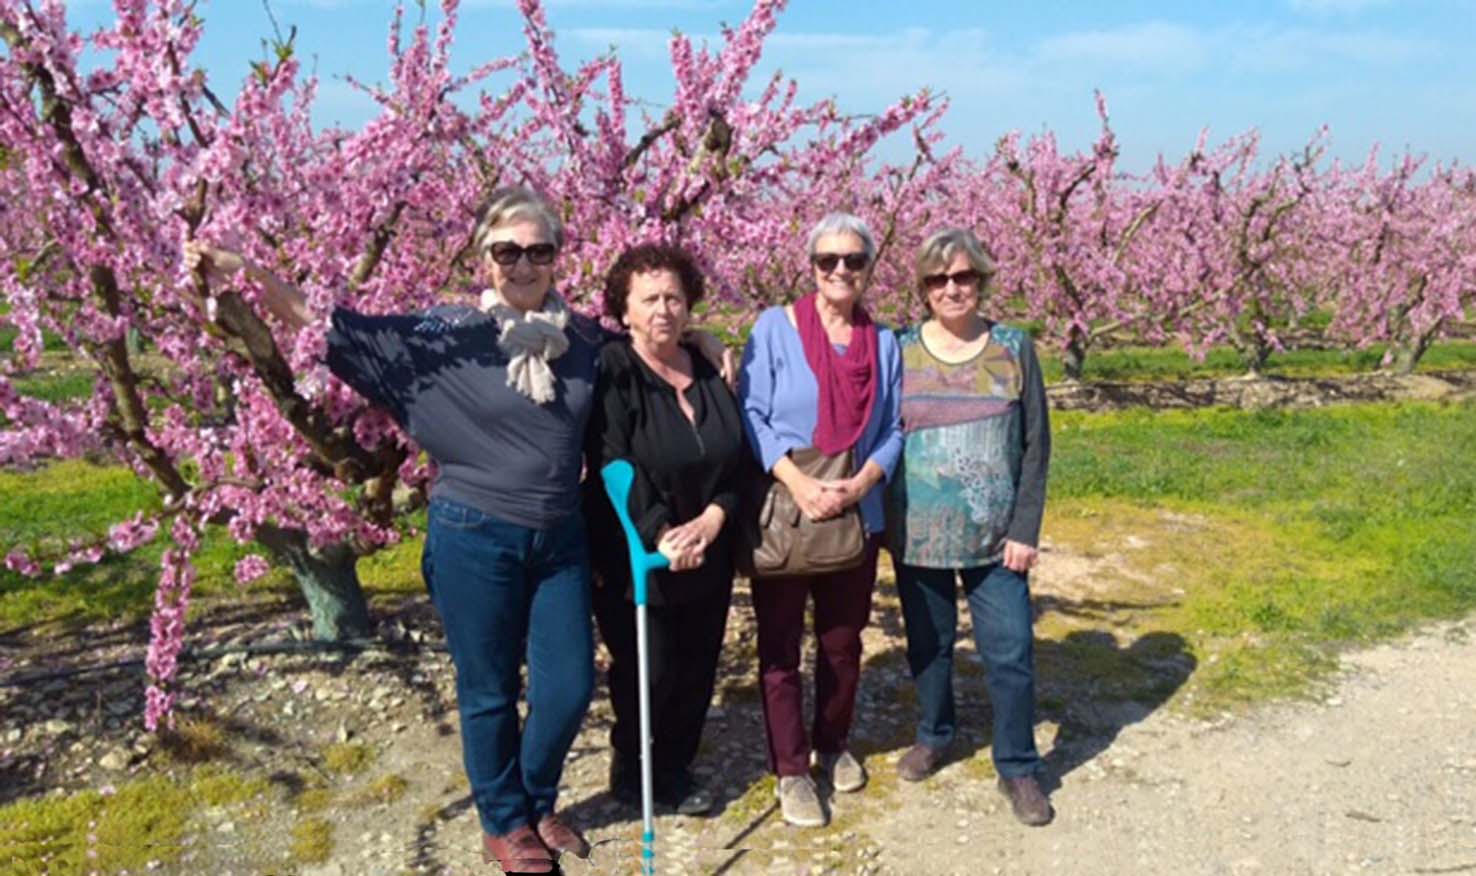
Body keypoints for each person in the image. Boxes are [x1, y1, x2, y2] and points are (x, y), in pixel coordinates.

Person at [186, 187, 602, 873]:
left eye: (539, 251)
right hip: (476, 535)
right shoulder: (441, 337)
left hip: (560, 539)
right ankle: (505, 821)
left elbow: (649, 352)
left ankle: (534, 800)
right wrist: (245, 269)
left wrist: (706, 343)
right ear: (485, 257)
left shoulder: (581, 340)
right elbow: (327, 324)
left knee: (569, 686)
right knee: (490, 687)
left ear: (557, 256)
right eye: (508, 252)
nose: (524, 265)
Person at [737, 212, 903, 828]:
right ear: (810, 266)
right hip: (789, 509)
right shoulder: (773, 329)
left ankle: (833, 743)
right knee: (780, 647)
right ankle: (791, 768)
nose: (840, 270)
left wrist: (860, 484)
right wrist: (800, 482)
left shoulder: (883, 344)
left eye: (853, 260)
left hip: (857, 511)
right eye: (827, 260)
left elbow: (894, 428)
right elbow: (751, 413)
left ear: (868, 268)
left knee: (842, 643)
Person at [883, 227, 1054, 826]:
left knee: (1010, 650)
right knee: (929, 646)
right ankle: (935, 734)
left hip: (997, 539)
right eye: (938, 279)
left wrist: (1025, 529)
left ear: (981, 280)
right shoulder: (898, 349)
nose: (951, 288)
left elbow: (1035, 444)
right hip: (917, 534)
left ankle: (1018, 766)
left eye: (963, 276)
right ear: (923, 288)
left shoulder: (1013, 347)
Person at [584, 243, 749, 817]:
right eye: (649, 299)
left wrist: (714, 518)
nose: (663, 310)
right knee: (648, 670)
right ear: (624, 309)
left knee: (698, 666)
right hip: (637, 552)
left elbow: (736, 458)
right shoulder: (614, 369)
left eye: (674, 298)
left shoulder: (708, 369)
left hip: (710, 545)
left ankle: (676, 765)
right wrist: (661, 533)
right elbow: (612, 460)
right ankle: (632, 765)